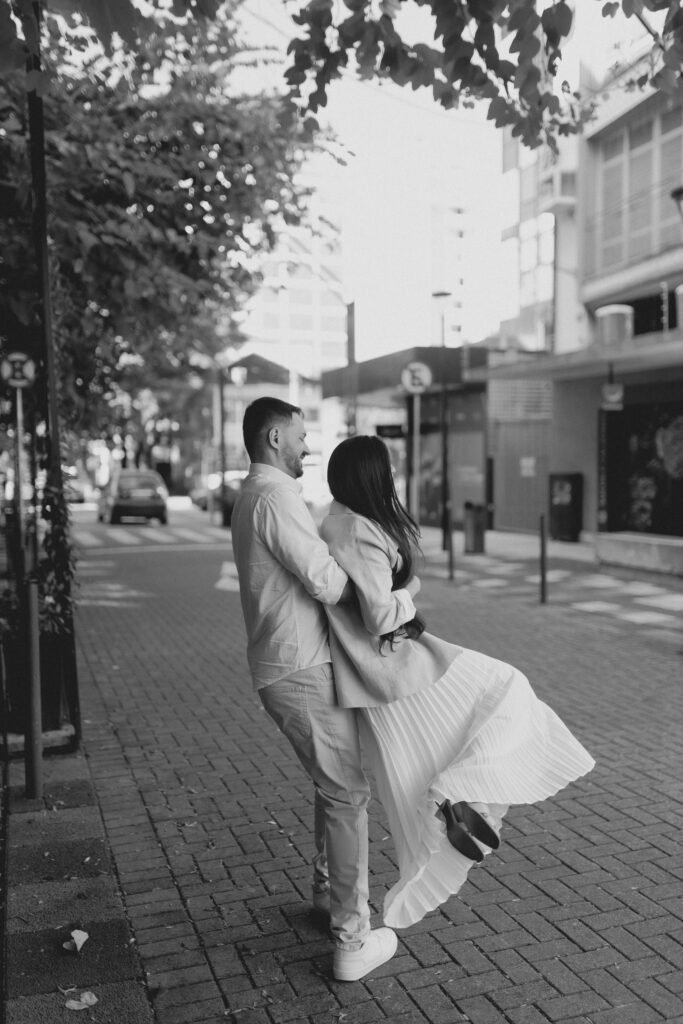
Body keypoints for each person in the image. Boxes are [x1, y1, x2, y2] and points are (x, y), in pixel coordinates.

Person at [319, 434, 595, 930]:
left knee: (450, 733)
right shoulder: (355, 529)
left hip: (392, 664)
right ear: (371, 475)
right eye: (388, 468)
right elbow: (382, 614)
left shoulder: (344, 521)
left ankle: (457, 800)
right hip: (391, 665)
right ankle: (455, 793)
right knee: (503, 687)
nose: (394, 476)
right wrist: (413, 592)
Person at [230, 398, 405, 981]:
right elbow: (328, 582)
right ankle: (352, 940)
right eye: (302, 437)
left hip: (285, 664)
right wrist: (391, 597)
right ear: (275, 436)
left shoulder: (256, 493)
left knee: (331, 787)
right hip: (300, 668)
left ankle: (329, 895)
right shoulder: (276, 496)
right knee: (347, 795)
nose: (308, 447)